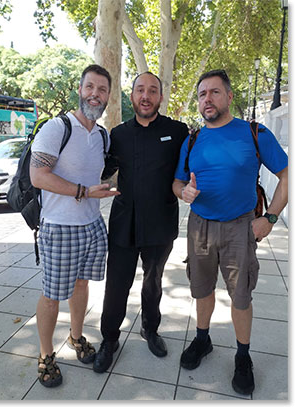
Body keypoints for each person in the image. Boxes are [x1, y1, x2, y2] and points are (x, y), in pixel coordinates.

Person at [172, 69, 288, 395]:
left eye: (214, 92)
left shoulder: (253, 132)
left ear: (229, 97)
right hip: (200, 228)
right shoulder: (192, 139)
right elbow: (177, 182)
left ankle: (243, 356)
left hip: (240, 228)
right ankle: (202, 338)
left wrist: (270, 218)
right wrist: (183, 193)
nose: (207, 99)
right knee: (202, 289)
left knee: (240, 296)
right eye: (202, 94)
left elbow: (286, 174)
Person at [30, 64, 120, 388]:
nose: (95, 94)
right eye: (90, 87)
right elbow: (37, 176)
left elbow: (97, 174)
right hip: (59, 226)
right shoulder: (58, 128)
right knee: (52, 296)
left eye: (102, 89)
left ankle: (76, 337)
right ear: (79, 90)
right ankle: (44, 354)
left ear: (108, 96)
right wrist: (83, 191)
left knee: (82, 286)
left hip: (93, 224)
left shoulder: (102, 135)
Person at [93, 72, 188, 373]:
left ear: (161, 97)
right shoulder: (117, 134)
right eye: (140, 90)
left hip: (161, 223)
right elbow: (99, 168)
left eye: (152, 90)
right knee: (116, 285)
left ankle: (151, 328)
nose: (145, 96)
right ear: (131, 95)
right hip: (123, 223)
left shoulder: (178, 131)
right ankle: (109, 339)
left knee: (153, 282)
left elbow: (193, 166)